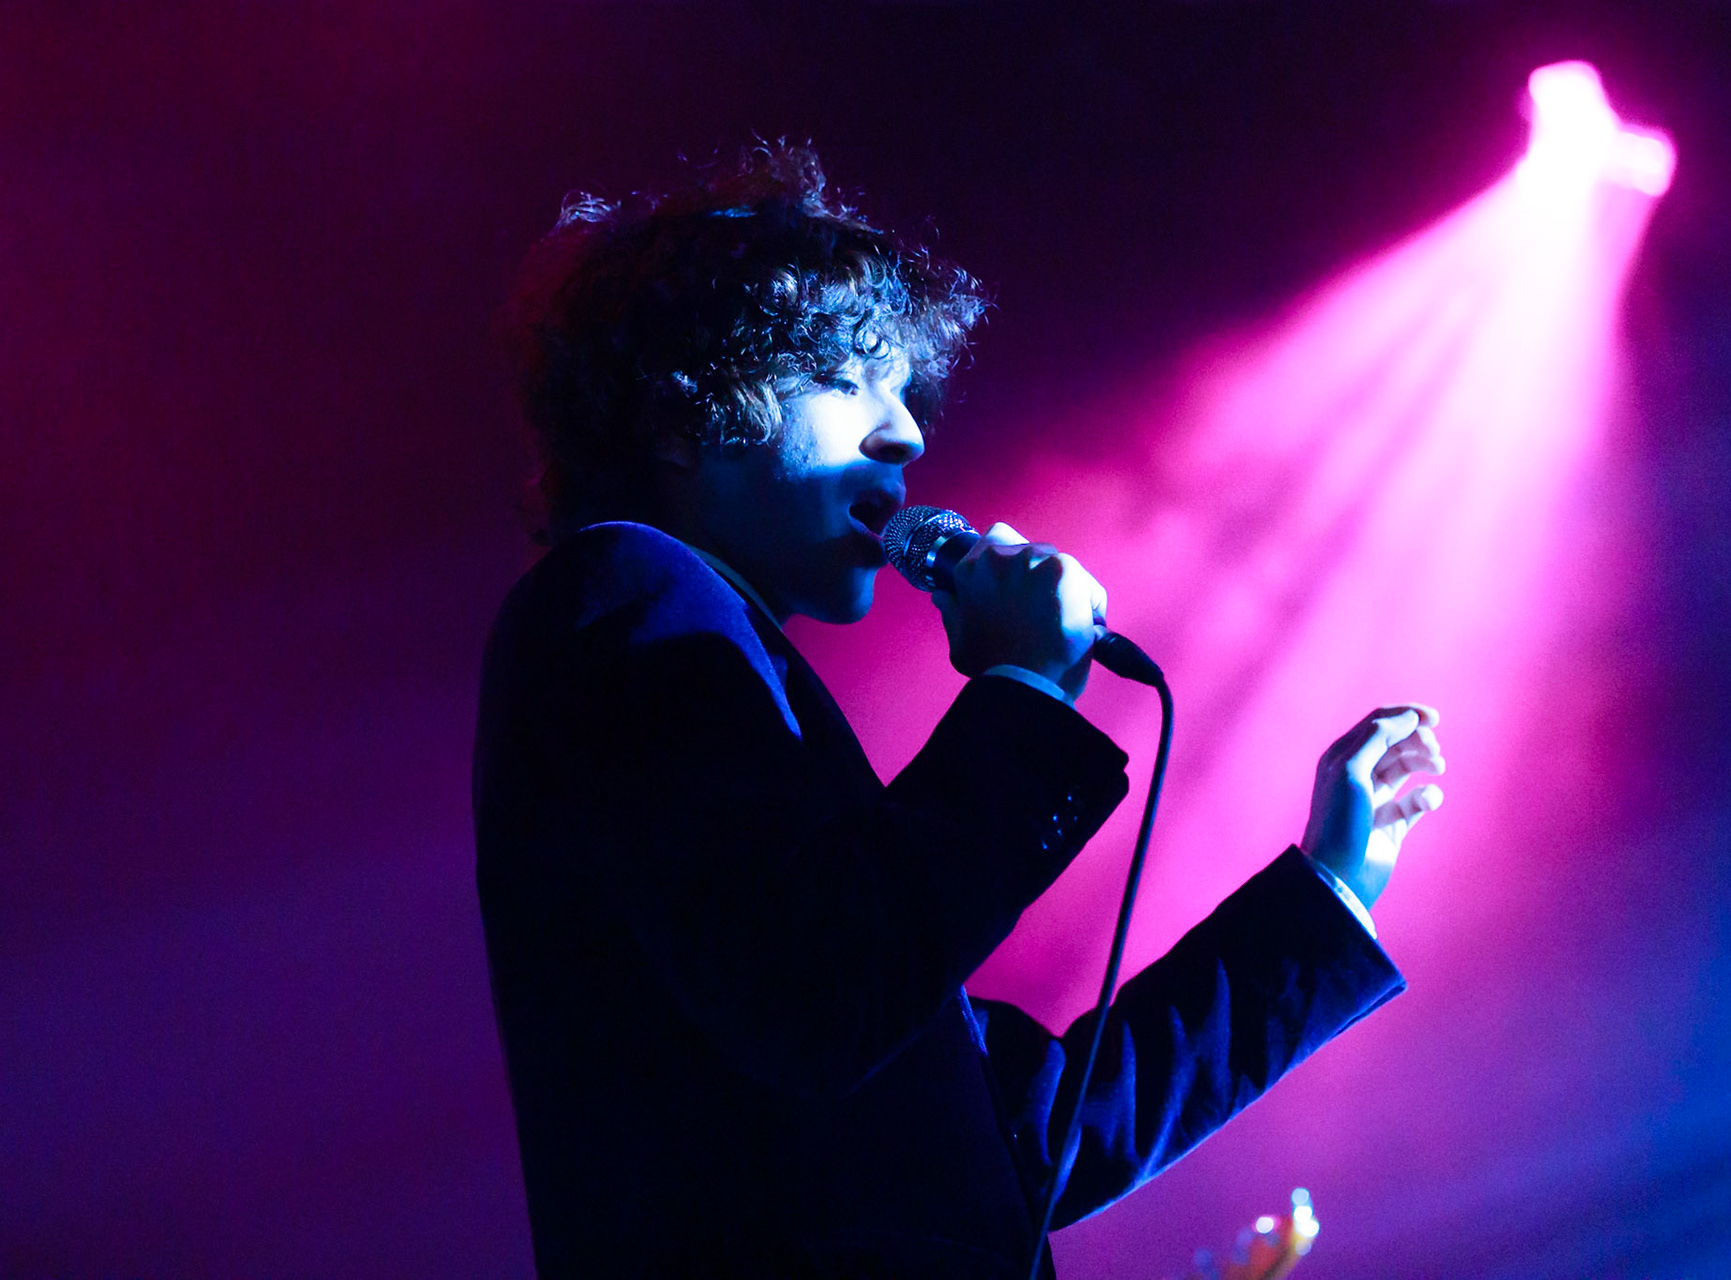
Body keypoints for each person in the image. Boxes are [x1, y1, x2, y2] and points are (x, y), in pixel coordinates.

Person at [474, 144, 1445, 1279]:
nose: (910, 433)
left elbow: (1029, 1134)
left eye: (907, 390)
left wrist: (1328, 887)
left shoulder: (728, 676)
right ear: (684, 416)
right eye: (853, 378)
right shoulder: (624, 594)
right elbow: (817, 987)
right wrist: (1024, 692)